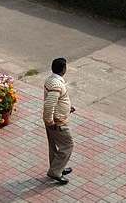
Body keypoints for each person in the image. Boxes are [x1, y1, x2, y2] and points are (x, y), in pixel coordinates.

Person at [43, 57, 75, 185]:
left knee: (54, 146)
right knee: (68, 145)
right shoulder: (57, 84)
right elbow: (50, 104)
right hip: (57, 122)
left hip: (53, 120)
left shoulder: (50, 80)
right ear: (63, 70)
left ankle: (57, 168)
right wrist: (50, 121)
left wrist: (67, 108)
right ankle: (55, 172)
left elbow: (57, 100)